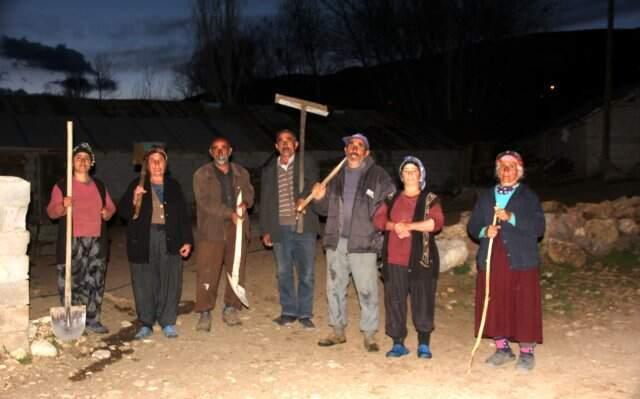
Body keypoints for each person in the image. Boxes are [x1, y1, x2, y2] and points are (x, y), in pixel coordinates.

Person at [311, 133, 395, 352]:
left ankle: (369, 334)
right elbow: (322, 211)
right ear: (345, 151)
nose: (354, 148)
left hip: (363, 242)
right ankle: (337, 331)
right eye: (351, 145)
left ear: (366, 152)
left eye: (359, 146)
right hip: (336, 241)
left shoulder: (378, 176)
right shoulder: (335, 177)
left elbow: (390, 205)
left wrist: (378, 233)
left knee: (367, 290)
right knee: (334, 288)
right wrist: (319, 198)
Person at [467, 150, 545, 371]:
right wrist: (485, 231)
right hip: (493, 256)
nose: (506, 170)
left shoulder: (528, 197)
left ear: (519, 171)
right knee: (495, 301)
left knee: (523, 303)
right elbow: (472, 227)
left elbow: (539, 228)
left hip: (521, 258)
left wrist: (512, 218)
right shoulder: (486, 197)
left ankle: (527, 353)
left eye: (511, 166)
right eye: (502, 166)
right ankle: (502, 348)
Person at [373, 156, 444, 359]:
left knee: (423, 300)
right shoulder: (392, 198)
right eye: (406, 171)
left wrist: (409, 227)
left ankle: (423, 343)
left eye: (414, 171)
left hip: (422, 260)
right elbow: (378, 220)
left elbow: (436, 223)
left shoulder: (431, 199)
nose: (410, 175)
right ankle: (398, 343)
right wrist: (394, 226)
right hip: (394, 259)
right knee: (395, 300)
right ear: (401, 176)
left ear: (420, 175)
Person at [119, 146, 193, 339]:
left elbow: (183, 216)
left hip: (170, 237)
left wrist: (187, 240)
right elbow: (124, 214)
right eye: (153, 160)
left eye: (161, 160)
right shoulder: (137, 184)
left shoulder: (174, 186)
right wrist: (134, 199)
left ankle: (167, 321)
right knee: (144, 281)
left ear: (166, 164)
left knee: (171, 280)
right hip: (143, 238)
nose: (157, 164)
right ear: (146, 165)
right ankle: (146, 322)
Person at [46, 142, 116, 334]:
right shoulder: (62, 186)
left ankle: (93, 320)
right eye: (78, 158)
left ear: (91, 163)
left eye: (86, 158)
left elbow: (111, 207)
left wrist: (107, 213)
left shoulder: (99, 186)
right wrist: (62, 204)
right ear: (71, 162)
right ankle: (74, 326)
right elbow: (51, 212)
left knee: (95, 281)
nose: (82, 161)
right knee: (73, 283)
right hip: (72, 241)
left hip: (96, 241)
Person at [259, 129, 320, 329]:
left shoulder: (306, 162)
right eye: (281, 141)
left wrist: (303, 196)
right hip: (280, 228)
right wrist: (265, 229)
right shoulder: (269, 169)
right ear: (276, 146)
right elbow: (266, 200)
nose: (285, 144)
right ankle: (288, 311)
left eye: (289, 140)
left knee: (307, 273)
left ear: (296, 145)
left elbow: (313, 183)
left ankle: (304, 313)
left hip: (304, 227)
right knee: (283, 272)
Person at [193, 136, 254, 332]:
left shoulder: (241, 173)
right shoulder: (202, 174)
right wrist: (230, 213)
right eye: (216, 149)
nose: (220, 152)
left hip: (237, 228)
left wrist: (245, 204)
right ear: (211, 152)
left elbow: (250, 193)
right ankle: (205, 312)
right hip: (211, 229)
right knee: (207, 271)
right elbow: (204, 202)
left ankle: (231, 307)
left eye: (224, 148)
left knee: (236, 268)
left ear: (230, 150)